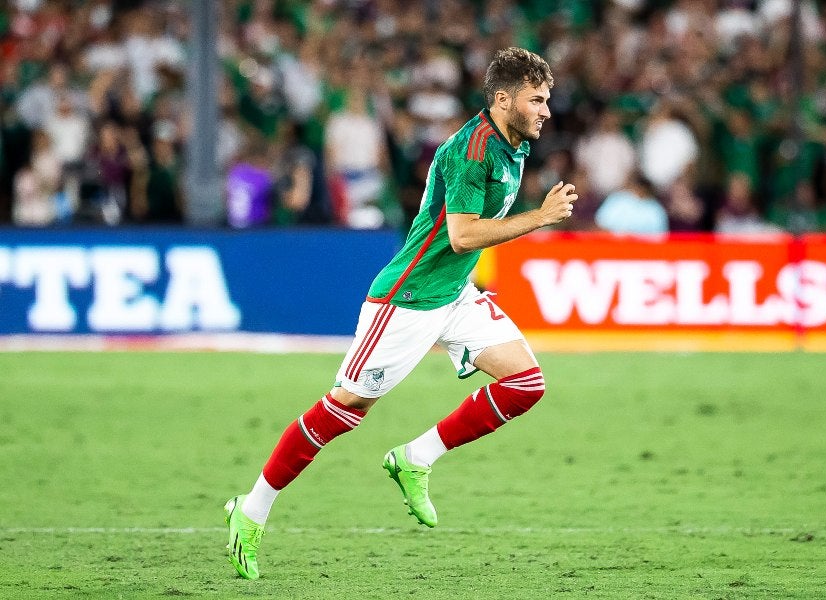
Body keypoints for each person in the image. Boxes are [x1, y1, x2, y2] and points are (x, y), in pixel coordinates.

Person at [223, 46, 578, 580]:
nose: (546, 110)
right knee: (345, 408)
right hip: (407, 299)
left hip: (454, 294)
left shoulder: (514, 145)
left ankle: (416, 457)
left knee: (525, 382)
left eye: (547, 99)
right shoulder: (472, 150)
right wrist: (540, 217)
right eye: (537, 100)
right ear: (503, 99)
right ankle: (250, 511)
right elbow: (461, 236)